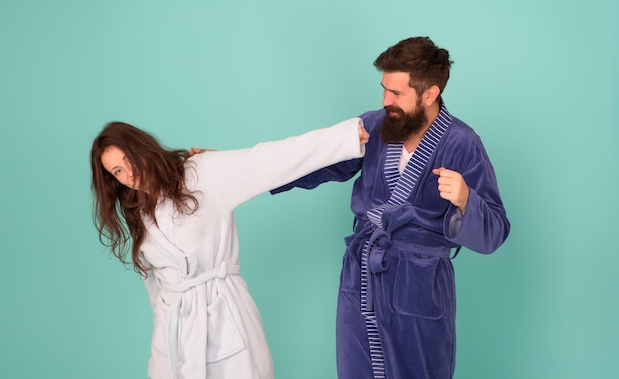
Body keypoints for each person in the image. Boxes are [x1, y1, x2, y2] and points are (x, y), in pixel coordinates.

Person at [271, 36, 511, 379]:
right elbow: (309, 161)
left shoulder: (462, 143)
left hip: (419, 287)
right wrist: (239, 169)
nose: (386, 101)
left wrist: (466, 200)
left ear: (429, 94)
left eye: (397, 94)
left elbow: (496, 231)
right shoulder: (374, 126)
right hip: (362, 275)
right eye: (384, 89)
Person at [89, 118, 369, 379]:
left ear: (142, 148)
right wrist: (161, 351)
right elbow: (156, 294)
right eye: (117, 171)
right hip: (172, 339)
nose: (129, 172)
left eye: (128, 159)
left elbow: (267, 160)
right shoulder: (139, 216)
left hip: (224, 318)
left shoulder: (201, 173)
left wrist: (342, 139)